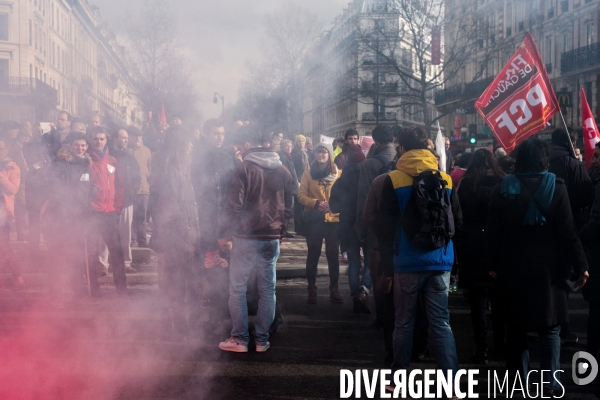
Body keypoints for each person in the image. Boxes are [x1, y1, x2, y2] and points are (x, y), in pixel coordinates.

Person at [488, 137, 589, 397]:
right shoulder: (557, 187)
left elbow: (495, 233)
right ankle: (550, 383)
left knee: (516, 327)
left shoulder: (502, 187)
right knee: (550, 327)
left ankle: (518, 382)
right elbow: (568, 233)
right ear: (544, 159)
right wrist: (581, 265)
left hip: (512, 267)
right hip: (549, 269)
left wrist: (492, 264)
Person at [377, 126, 462, 394]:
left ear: (401, 149)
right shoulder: (445, 179)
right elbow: (457, 222)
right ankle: (450, 382)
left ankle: (398, 377)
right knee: (441, 321)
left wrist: (387, 269)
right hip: (439, 261)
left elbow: (385, 227)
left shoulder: (393, 179)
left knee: (404, 322)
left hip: (406, 262)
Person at [217, 131, 293, 353]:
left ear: (250, 144)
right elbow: (289, 207)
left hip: (246, 237)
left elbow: (233, 206)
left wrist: (225, 233)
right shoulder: (284, 170)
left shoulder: (243, 169)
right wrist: (282, 230)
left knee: (238, 289)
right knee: (268, 289)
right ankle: (262, 339)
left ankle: (240, 339)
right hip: (272, 237)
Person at [454, 149, 505, 364]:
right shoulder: (501, 183)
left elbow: (458, 215)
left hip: (472, 246)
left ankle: (481, 348)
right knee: (499, 301)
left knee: (477, 303)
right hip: (497, 245)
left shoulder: (466, 184)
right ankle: (501, 346)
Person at [149, 126, 200, 339]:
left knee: (177, 280)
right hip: (176, 237)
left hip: (180, 235)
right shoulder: (170, 171)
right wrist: (187, 231)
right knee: (176, 281)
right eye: (188, 142)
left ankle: (173, 321)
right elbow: (171, 208)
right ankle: (175, 322)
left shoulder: (177, 168)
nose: (191, 146)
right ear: (179, 144)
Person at [548, 128, 594, 345]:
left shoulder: (543, 161)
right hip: (570, 224)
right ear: (571, 142)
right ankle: (561, 325)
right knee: (564, 278)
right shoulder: (574, 164)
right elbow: (587, 195)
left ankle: (545, 320)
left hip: (543, 226)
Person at [191, 118, 234, 333]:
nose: (219, 137)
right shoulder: (198, 157)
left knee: (223, 266)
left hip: (224, 221)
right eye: (216, 133)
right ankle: (206, 311)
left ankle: (220, 313)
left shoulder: (228, 156)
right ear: (207, 134)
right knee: (207, 264)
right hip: (205, 220)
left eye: (222, 133)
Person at [43, 133, 92, 300]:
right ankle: (55, 293)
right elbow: (57, 192)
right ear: (71, 146)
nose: (80, 148)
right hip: (61, 219)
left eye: (83, 145)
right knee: (57, 257)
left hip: (79, 218)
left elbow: (87, 192)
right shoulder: (61, 164)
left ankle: (79, 290)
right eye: (77, 145)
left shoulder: (86, 165)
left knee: (77, 256)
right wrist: (65, 217)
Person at [356, 125, 396, 321]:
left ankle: (382, 315)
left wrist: (361, 229)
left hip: (376, 226)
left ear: (376, 142)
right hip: (401, 225)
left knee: (378, 267)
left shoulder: (368, 165)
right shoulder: (403, 160)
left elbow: (363, 200)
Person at [298, 142, 343, 304]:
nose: (321, 155)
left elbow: (343, 196)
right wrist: (316, 203)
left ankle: (334, 289)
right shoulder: (308, 173)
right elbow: (301, 196)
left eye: (324, 152)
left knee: (333, 255)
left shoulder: (338, 173)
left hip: (333, 220)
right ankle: (311, 288)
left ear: (329, 154)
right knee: (313, 254)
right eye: (318, 152)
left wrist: (333, 205)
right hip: (314, 220)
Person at [87, 126, 128, 296]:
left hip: (110, 212)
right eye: (96, 139)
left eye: (102, 139)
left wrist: (117, 207)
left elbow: (121, 185)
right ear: (91, 140)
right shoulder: (87, 160)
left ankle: (122, 289)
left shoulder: (112, 160)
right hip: (93, 213)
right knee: (91, 252)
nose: (99, 142)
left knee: (117, 252)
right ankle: (94, 289)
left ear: (106, 140)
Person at [330, 143, 371, 313]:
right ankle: (364, 290)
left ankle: (355, 295)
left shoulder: (341, 180)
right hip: (367, 225)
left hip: (347, 226)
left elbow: (333, 206)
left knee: (354, 262)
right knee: (369, 262)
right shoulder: (369, 179)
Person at [110, 128, 141, 273]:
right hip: (109, 202)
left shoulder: (130, 157)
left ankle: (126, 263)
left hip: (127, 201)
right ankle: (103, 263)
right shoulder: (109, 156)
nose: (126, 140)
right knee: (108, 232)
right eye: (123, 138)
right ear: (116, 139)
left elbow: (137, 178)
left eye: (127, 138)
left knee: (126, 233)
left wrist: (132, 193)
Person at [0, 139, 23, 289]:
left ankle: (18, 276)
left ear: (6, 149)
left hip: (3, 214)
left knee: (4, 246)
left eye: (1, 148)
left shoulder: (13, 167)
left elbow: (14, 189)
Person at [127, 126, 152, 247]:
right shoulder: (126, 150)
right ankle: (131, 240)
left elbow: (150, 168)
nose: (138, 138)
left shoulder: (146, 151)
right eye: (135, 135)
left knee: (142, 217)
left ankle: (142, 241)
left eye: (140, 136)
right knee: (130, 217)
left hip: (144, 189)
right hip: (130, 190)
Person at [278, 139, 298, 238]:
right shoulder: (282, 157)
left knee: (289, 209)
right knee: (286, 209)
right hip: (287, 187)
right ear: (282, 147)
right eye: (287, 146)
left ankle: (284, 229)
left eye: (290, 146)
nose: (289, 148)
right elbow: (286, 173)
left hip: (292, 186)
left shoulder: (289, 157)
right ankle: (282, 230)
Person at [291, 134, 310, 235]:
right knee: (298, 205)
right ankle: (298, 228)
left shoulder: (307, 152)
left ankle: (304, 226)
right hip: (298, 180)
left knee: (305, 204)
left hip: (307, 179)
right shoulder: (294, 153)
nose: (301, 143)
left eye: (303, 141)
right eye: (299, 141)